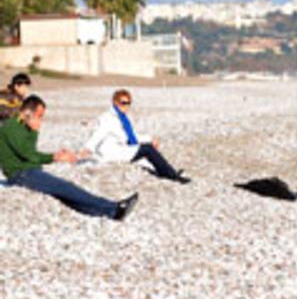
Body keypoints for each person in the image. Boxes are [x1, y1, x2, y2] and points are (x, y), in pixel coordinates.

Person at [0, 96, 138, 220]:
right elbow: (29, 154)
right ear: (27, 112)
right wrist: (54, 156)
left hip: (28, 171)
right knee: (65, 187)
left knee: (66, 193)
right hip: (20, 175)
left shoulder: (22, 125)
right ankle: (114, 208)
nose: (40, 120)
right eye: (39, 115)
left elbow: (30, 153)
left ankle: (109, 212)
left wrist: (54, 155)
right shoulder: (12, 127)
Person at [83, 89, 189, 184]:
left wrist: (150, 138)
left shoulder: (122, 117)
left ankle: (169, 172)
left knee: (147, 151)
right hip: (112, 153)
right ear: (115, 102)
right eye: (123, 103)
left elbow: (131, 136)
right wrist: (87, 149)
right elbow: (98, 134)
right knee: (147, 149)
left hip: (121, 148)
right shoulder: (108, 118)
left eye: (128, 103)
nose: (126, 106)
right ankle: (172, 176)